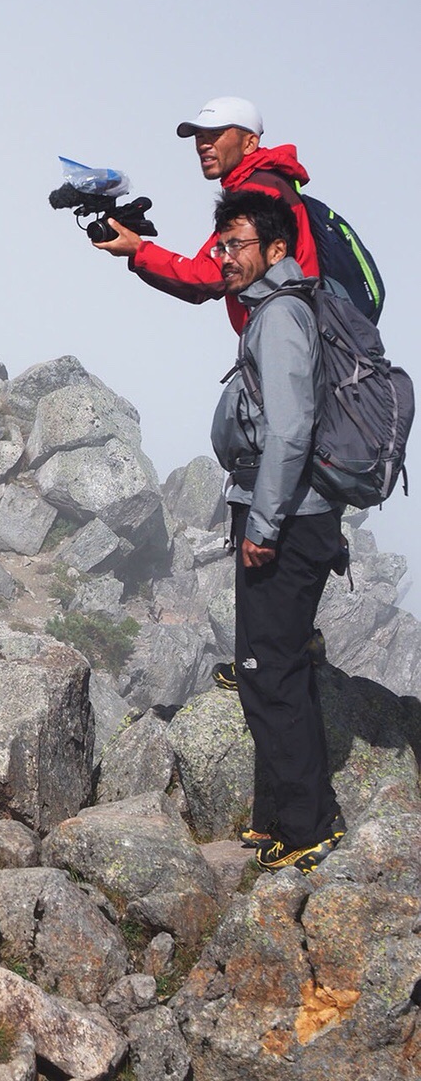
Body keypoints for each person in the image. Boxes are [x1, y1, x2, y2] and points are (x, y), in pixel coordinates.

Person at [209, 188, 345, 872]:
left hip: (287, 521)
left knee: (271, 671)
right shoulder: (274, 312)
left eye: (235, 245)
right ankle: (278, 814)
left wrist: (262, 523)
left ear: (276, 250)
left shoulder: (281, 317)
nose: (223, 256)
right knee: (273, 663)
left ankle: (309, 825)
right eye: (221, 244)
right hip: (282, 512)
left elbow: (290, 430)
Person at [92, 96, 316, 334]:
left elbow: (208, 276)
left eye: (216, 134)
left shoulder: (259, 191)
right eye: (200, 136)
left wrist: (139, 251)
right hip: (289, 328)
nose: (203, 145)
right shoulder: (265, 182)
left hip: (285, 332)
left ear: (250, 143)